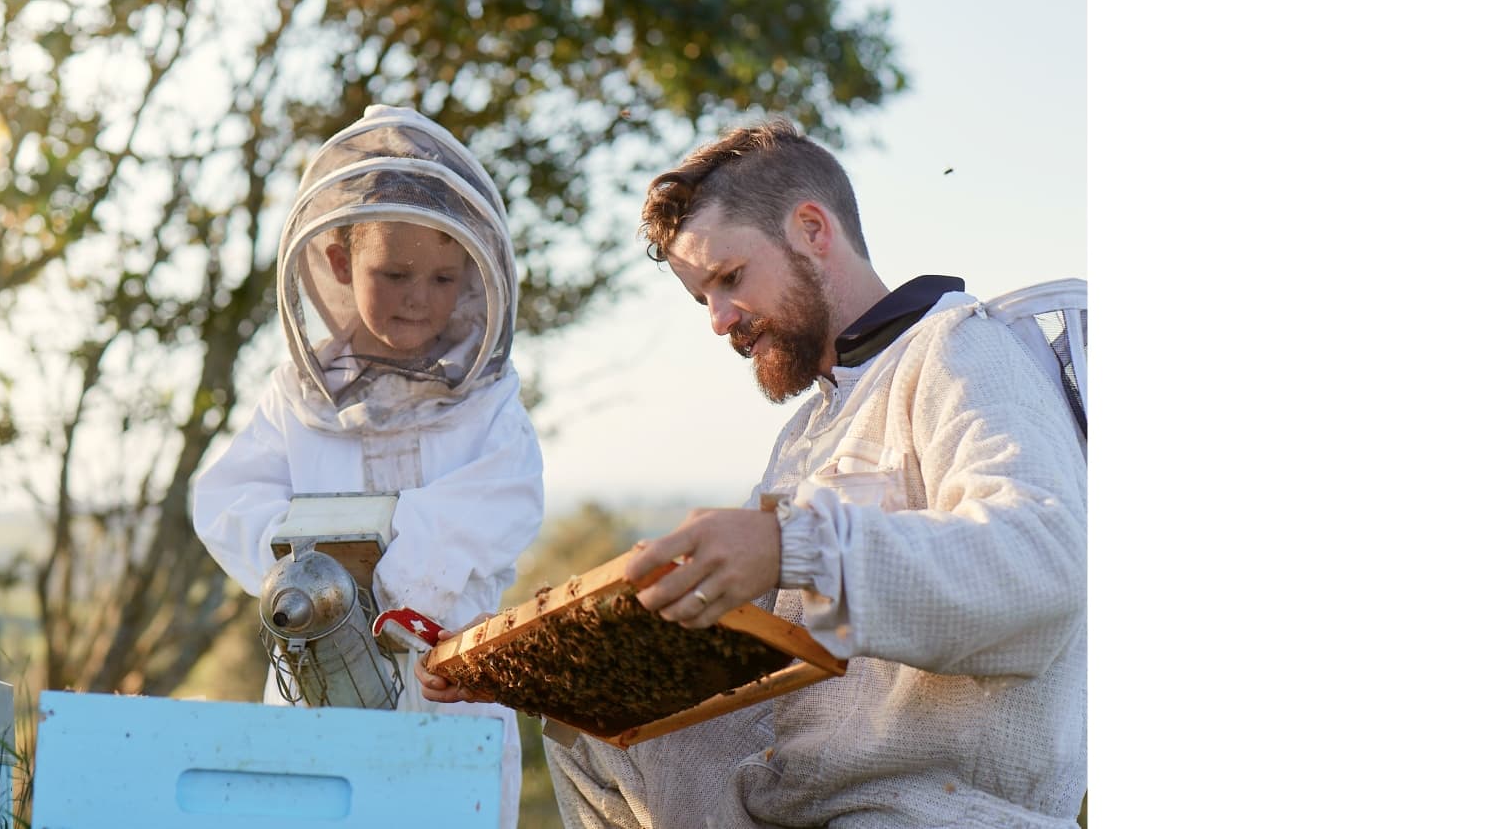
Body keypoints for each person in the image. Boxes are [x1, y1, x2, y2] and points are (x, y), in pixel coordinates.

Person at [440, 119, 1088, 827]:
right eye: (702, 300)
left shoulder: (965, 350)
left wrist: (791, 546)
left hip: (935, 810)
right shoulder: (808, 431)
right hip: (803, 803)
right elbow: (741, 651)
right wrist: (538, 661)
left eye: (730, 279)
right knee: (593, 742)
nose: (718, 320)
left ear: (813, 230)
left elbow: (1044, 561)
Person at [191, 104, 542, 827]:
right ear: (341, 261)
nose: (420, 297)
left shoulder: (488, 402)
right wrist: (314, 573)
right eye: (396, 271)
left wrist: (390, 561)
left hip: (453, 674)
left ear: (475, 273)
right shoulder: (298, 392)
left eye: (445, 279)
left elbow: (505, 499)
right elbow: (226, 496)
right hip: (317, 674)